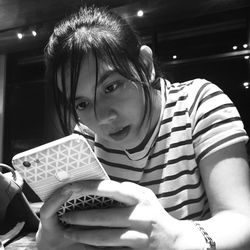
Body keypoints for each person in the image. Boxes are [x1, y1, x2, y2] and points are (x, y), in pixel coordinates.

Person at [37, 5, 250, 250]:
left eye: (111, 87)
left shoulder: (197, 104)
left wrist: (179, 239)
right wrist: (53, 238)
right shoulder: (84, 139)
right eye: (82, 103)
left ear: (145, 65)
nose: (102, 118)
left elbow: (240, 220)